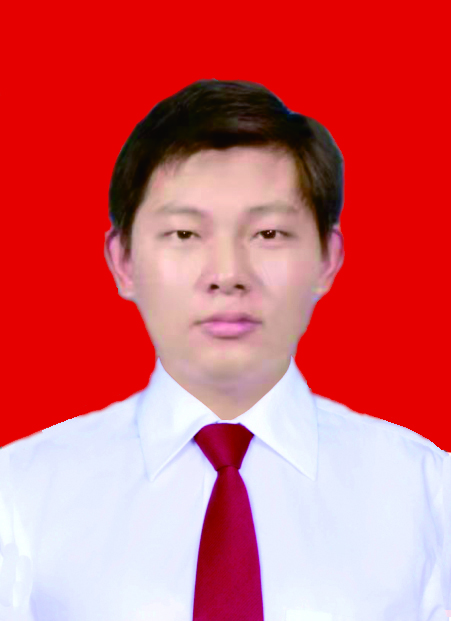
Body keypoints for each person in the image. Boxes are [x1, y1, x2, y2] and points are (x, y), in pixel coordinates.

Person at [0, 79, 449, 620]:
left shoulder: (426, 492)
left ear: (328, 259)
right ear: (123, 262)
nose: (228, 274)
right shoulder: (21, 493)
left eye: (269, 234)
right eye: (185, 235)